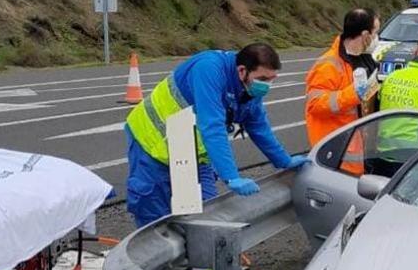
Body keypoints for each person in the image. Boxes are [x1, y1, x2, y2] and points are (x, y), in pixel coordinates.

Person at [124, 43, 308, 227]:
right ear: (242, 70)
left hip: (194, 152)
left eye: (271, 79)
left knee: (207, 215)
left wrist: (284, 161)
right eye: (263, 78)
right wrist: (231, 177)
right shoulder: (209, 69)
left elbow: (258, 126)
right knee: (155, 217)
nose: (266, 85)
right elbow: (212, 126)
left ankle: (196, 254)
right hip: (151, 143)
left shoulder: (248, 85)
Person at [304, 8, 381, 147]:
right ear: (365, 35)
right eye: (375, 33)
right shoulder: (328, 65)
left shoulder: (367, 60)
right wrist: (353, 94)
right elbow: (315, 105)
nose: (377, 38)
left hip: (359, 146)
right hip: (336, 150)